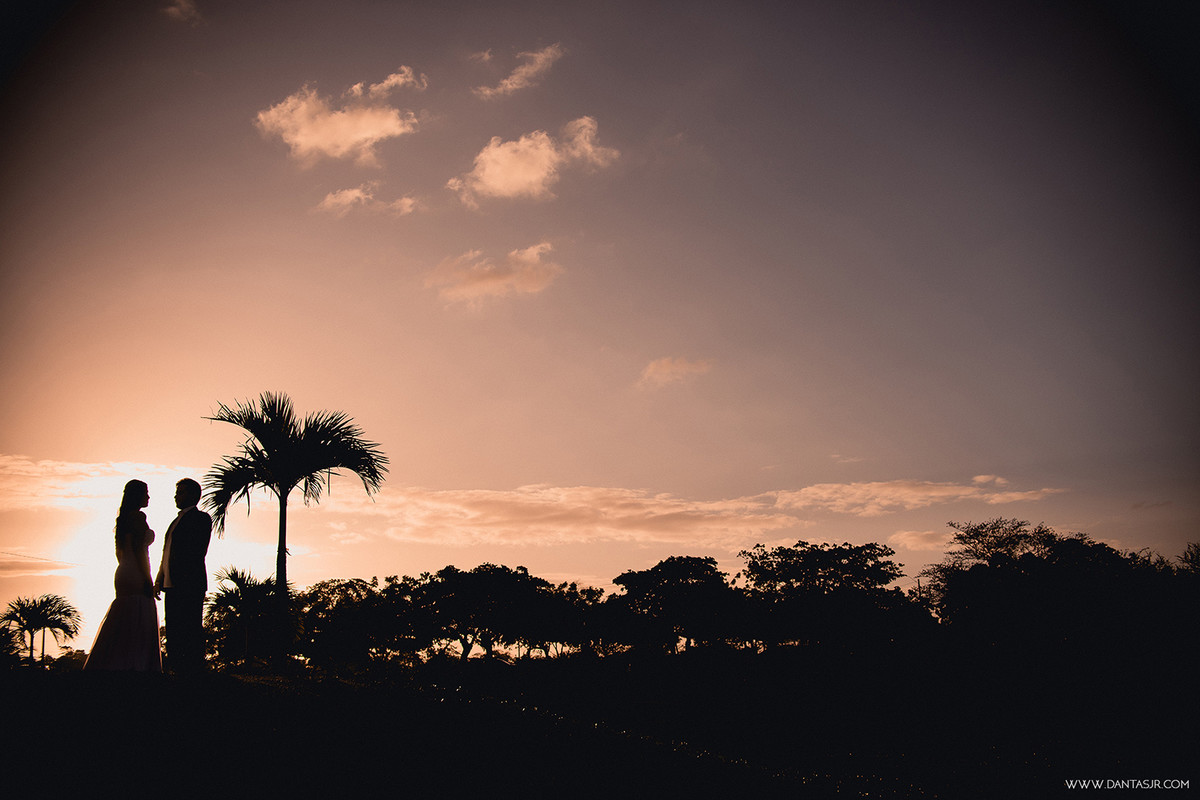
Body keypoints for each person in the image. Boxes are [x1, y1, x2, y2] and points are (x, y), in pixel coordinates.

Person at [84, 479, 163, 672]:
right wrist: (147, 578)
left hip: (123, 570)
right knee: (138, 613)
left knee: (124, 613)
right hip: (136, 570)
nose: (149, 496)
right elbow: (139, 551)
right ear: (137, 495)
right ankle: (136, 664)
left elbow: (120, 552)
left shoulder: (122, 520)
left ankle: (114, 661)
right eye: (146, 492)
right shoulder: (138, 517)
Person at [154, 478, 212, 673]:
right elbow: (166, 552)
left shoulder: (202, 519)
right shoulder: (175, 521)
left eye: (180, 492)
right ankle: (176, 667)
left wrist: (182, 577)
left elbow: (197, 552)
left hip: (189, 583)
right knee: (173, 628)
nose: (176, 496)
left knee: (191, 626)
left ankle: (193, 668)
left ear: (193, 495)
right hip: (171, 584)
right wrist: (160, 576)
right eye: (177, 492)